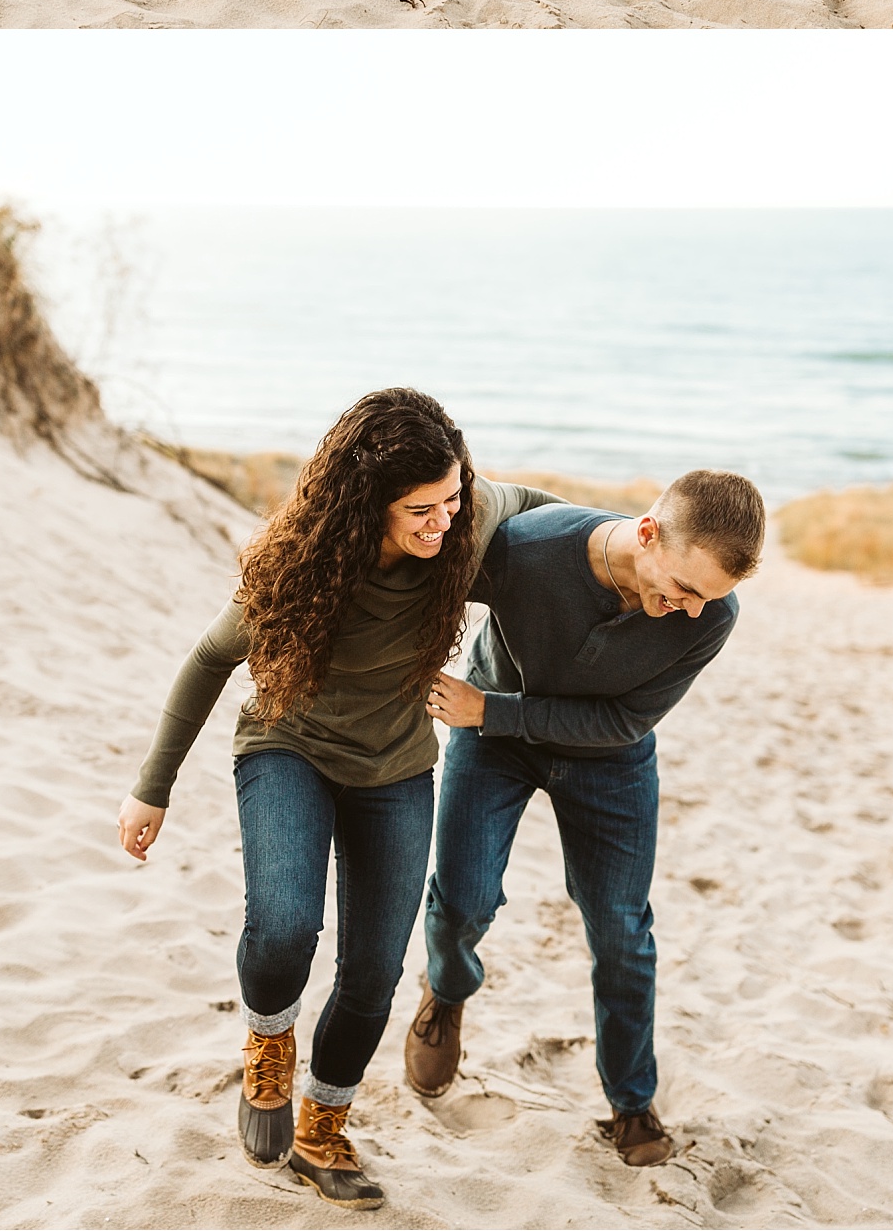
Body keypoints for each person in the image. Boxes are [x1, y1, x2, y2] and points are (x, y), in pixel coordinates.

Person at [118, 387, 549, 1208]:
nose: (445, 522)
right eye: (421, 509)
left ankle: (322, 1126)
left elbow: (534, 509)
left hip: (394, 767)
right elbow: (210, 659)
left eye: (454, 499)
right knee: (285, 927)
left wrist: (617, 549)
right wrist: (152, 788)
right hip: (291, 746)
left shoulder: (465, 516)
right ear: (365, 507)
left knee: (374, 970)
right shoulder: (301, 563)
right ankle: (269, 1048)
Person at [406, 466, 766, 1168]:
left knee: (623, 933)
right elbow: (420, 581)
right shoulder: (528, 548)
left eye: (708, 598)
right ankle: (445, 993)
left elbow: (625, 719)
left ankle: (632, 1102)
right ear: (649, 532)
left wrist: (491, 708)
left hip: (608, 759)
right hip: (492, 744)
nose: (692, 609)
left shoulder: (711, 616)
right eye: (685, 587)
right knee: (463, 900)